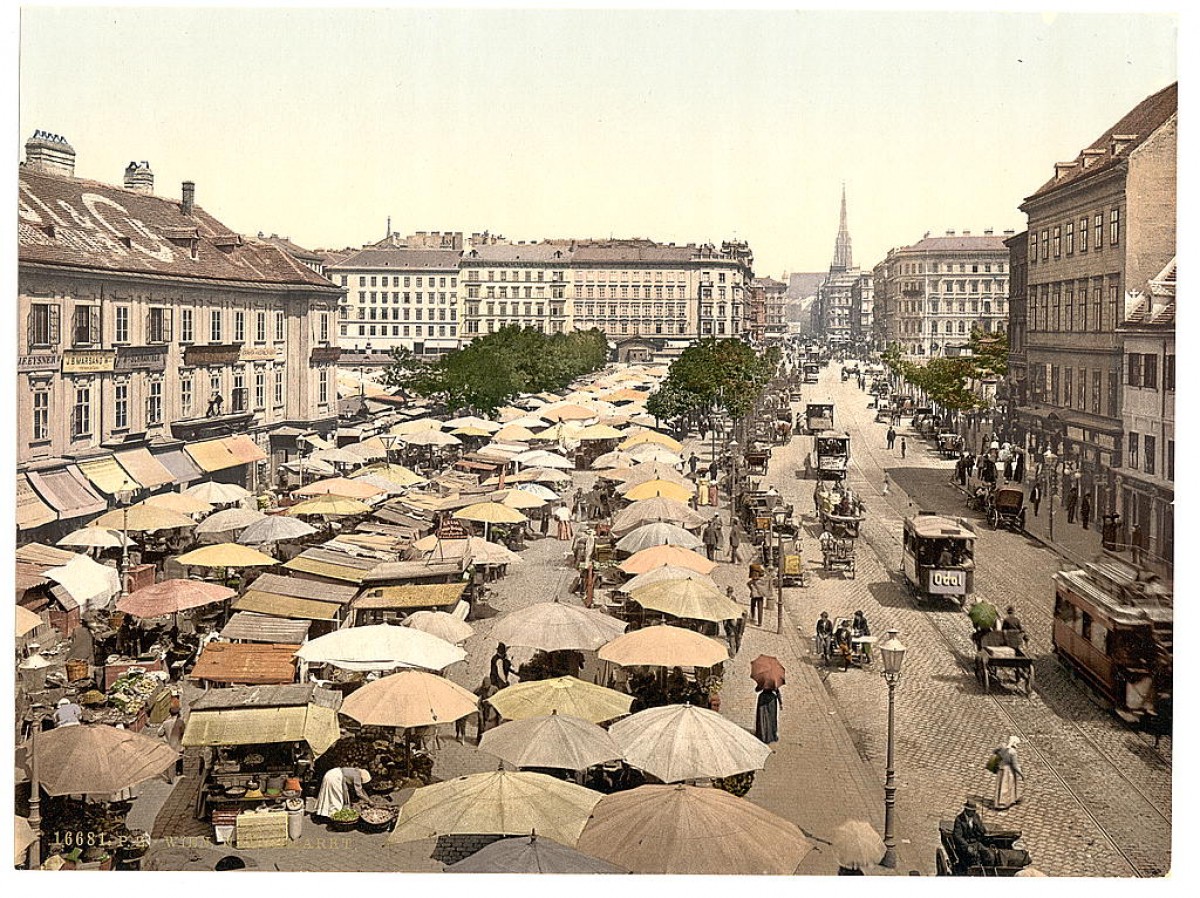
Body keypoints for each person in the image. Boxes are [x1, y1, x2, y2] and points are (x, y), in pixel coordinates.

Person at [992, 736, 1024, 809]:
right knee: (1007, 786)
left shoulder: (1002, 747)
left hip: (1000, 769)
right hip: (1008, 770)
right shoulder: (1012, 752)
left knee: (1000, 785)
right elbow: (1015, 766)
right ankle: (1004, 802)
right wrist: (1021, 774)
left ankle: (998, 802)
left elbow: (994, 751)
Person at [162, 705, 186, 783]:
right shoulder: (180, 722)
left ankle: (170, 777)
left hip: (169, 744)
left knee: (171, 761)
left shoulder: (165, 723)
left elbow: (159, 733)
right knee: (179, 760)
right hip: (178, 744)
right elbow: (183, 732)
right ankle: (179, 773)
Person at [474, 677, 498, 743]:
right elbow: (474, 694)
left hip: (491, 708)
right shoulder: (480, 689)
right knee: (481, 723)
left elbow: (498, 697)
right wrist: (477, 702)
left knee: (493, 723)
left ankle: (491, 741)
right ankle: (479, 740)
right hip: (483, 707)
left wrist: (492, 701)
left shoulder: (494, 689)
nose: (486, 688)